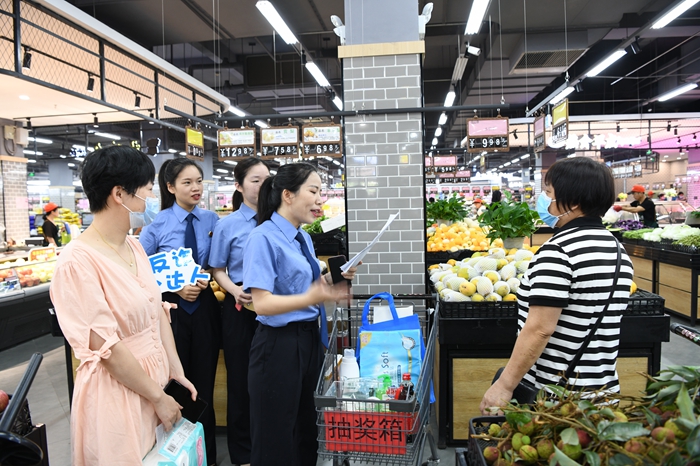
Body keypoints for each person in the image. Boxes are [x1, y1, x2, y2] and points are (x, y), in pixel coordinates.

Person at [50, 146, 197, 465]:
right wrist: (157, 396)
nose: (152, 200)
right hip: (119, 390)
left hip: (156, 384)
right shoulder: (76, 263)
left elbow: (156, 311)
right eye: (148, 191)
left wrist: (175, 371)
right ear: (120, 194)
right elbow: (107, 348)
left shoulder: (134, 245)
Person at [480, 157, 634, 414]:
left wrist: (505, 385)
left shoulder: (559, 251)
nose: (544, 200)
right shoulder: (617, 250)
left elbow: (540, 329)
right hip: (602, 394)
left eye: (549, 193)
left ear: (573, 203)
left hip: (557, 401)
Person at [243, 162, 359, 466]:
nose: (320, 199)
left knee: (306, 431)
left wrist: (334, 278)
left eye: (321, 192)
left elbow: (305, 285)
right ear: (288, 195)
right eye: (313, 191)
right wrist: (312, 296)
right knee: (276, 438)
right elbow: (262, 303)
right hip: (277, 347)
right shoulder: (262, 238)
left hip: (308, 341)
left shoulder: (302, 237)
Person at [140, 158, 220, 464]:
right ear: (171, 187)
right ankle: (176, 454)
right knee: (176, 382)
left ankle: (205, 454)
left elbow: (217, 263)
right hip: (171, 312)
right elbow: (140, 271)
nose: (196, 188)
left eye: (199, 181)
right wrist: (173, 289)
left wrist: (206, 277)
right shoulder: (157, 224)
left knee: (205, 384)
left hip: (205, 308)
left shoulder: (212, 220)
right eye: (187, 183)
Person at [209, 158, 270, 466]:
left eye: (267, 179)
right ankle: (244, 453)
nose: (263, 185)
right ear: (239, 186)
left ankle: (270, 447)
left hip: (273, 309)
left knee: (272, 379)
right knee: (240, 382)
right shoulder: (227, 225)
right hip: (240, 308)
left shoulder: (277, 220)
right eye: (255, 180)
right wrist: (233, 289)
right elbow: (217, 268)